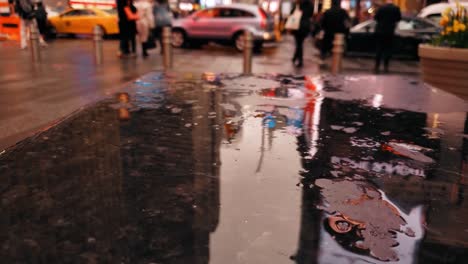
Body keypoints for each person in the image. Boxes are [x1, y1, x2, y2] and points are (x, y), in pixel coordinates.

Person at [374, 0, 401, 73]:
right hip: (390, 31)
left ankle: (377, 66)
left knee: (379, 49)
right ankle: (386, 67)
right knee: (388, 49)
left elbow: (376, 18)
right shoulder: (396, 8)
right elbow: (399, 18)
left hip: (380, 31)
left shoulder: (381, 8)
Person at [290, 0, 313, 68]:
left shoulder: (298, 4)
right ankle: (295, 57)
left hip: (297, 25)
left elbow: (292, 13)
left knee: (299, 44)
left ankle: (300, 60)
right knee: (300, 43)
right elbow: (311, 15)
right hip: (306, 26)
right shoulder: (310, 5)